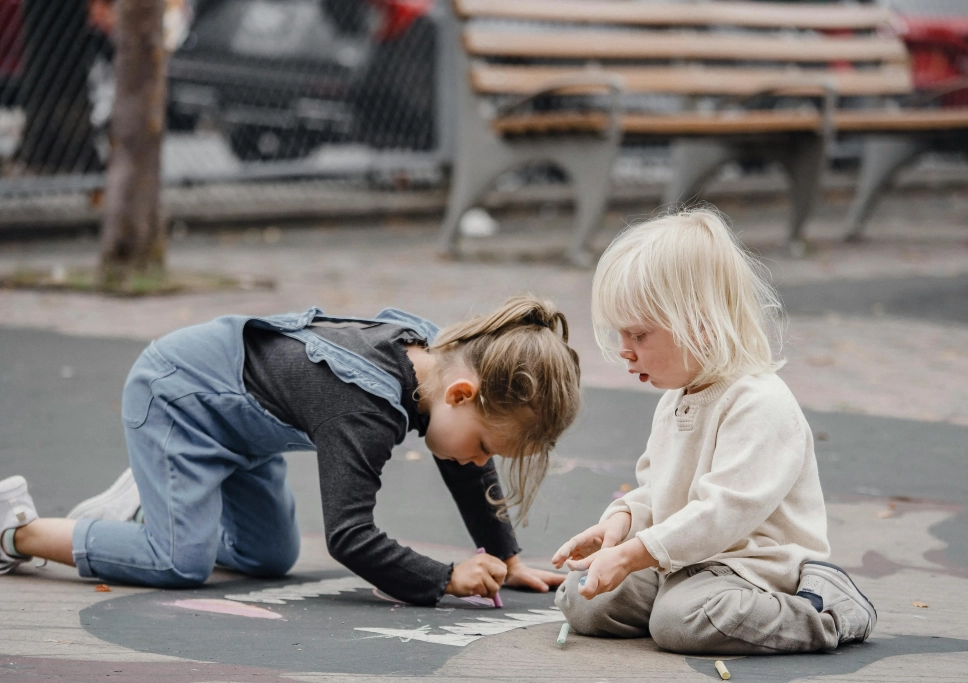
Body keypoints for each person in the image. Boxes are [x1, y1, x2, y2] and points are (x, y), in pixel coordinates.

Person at [1, 295, 580, 606]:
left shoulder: (435, 361)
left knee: (269, 555)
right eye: (485, 446)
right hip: (177, 397)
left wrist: (505, 557)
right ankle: (16, 529)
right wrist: (442, 576)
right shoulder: (364, 405)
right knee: (181, 562)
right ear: (461, 393)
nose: (481, 461)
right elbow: (350, 536)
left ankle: (158, 505)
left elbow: (461, 464)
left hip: (239, 431)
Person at [551, 209, 876, 654]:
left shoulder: (759, 401)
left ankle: (827, 611)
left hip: (754, 568)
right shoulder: (677, 399)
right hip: (688, 561)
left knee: (679, 622)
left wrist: (631, 556)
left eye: (639, 334)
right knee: (583, 599)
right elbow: (659, 492)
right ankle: (679, 601)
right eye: (620, 334)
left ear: (699, 323)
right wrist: (621, 522)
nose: (625, 351)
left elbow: (722, 513)